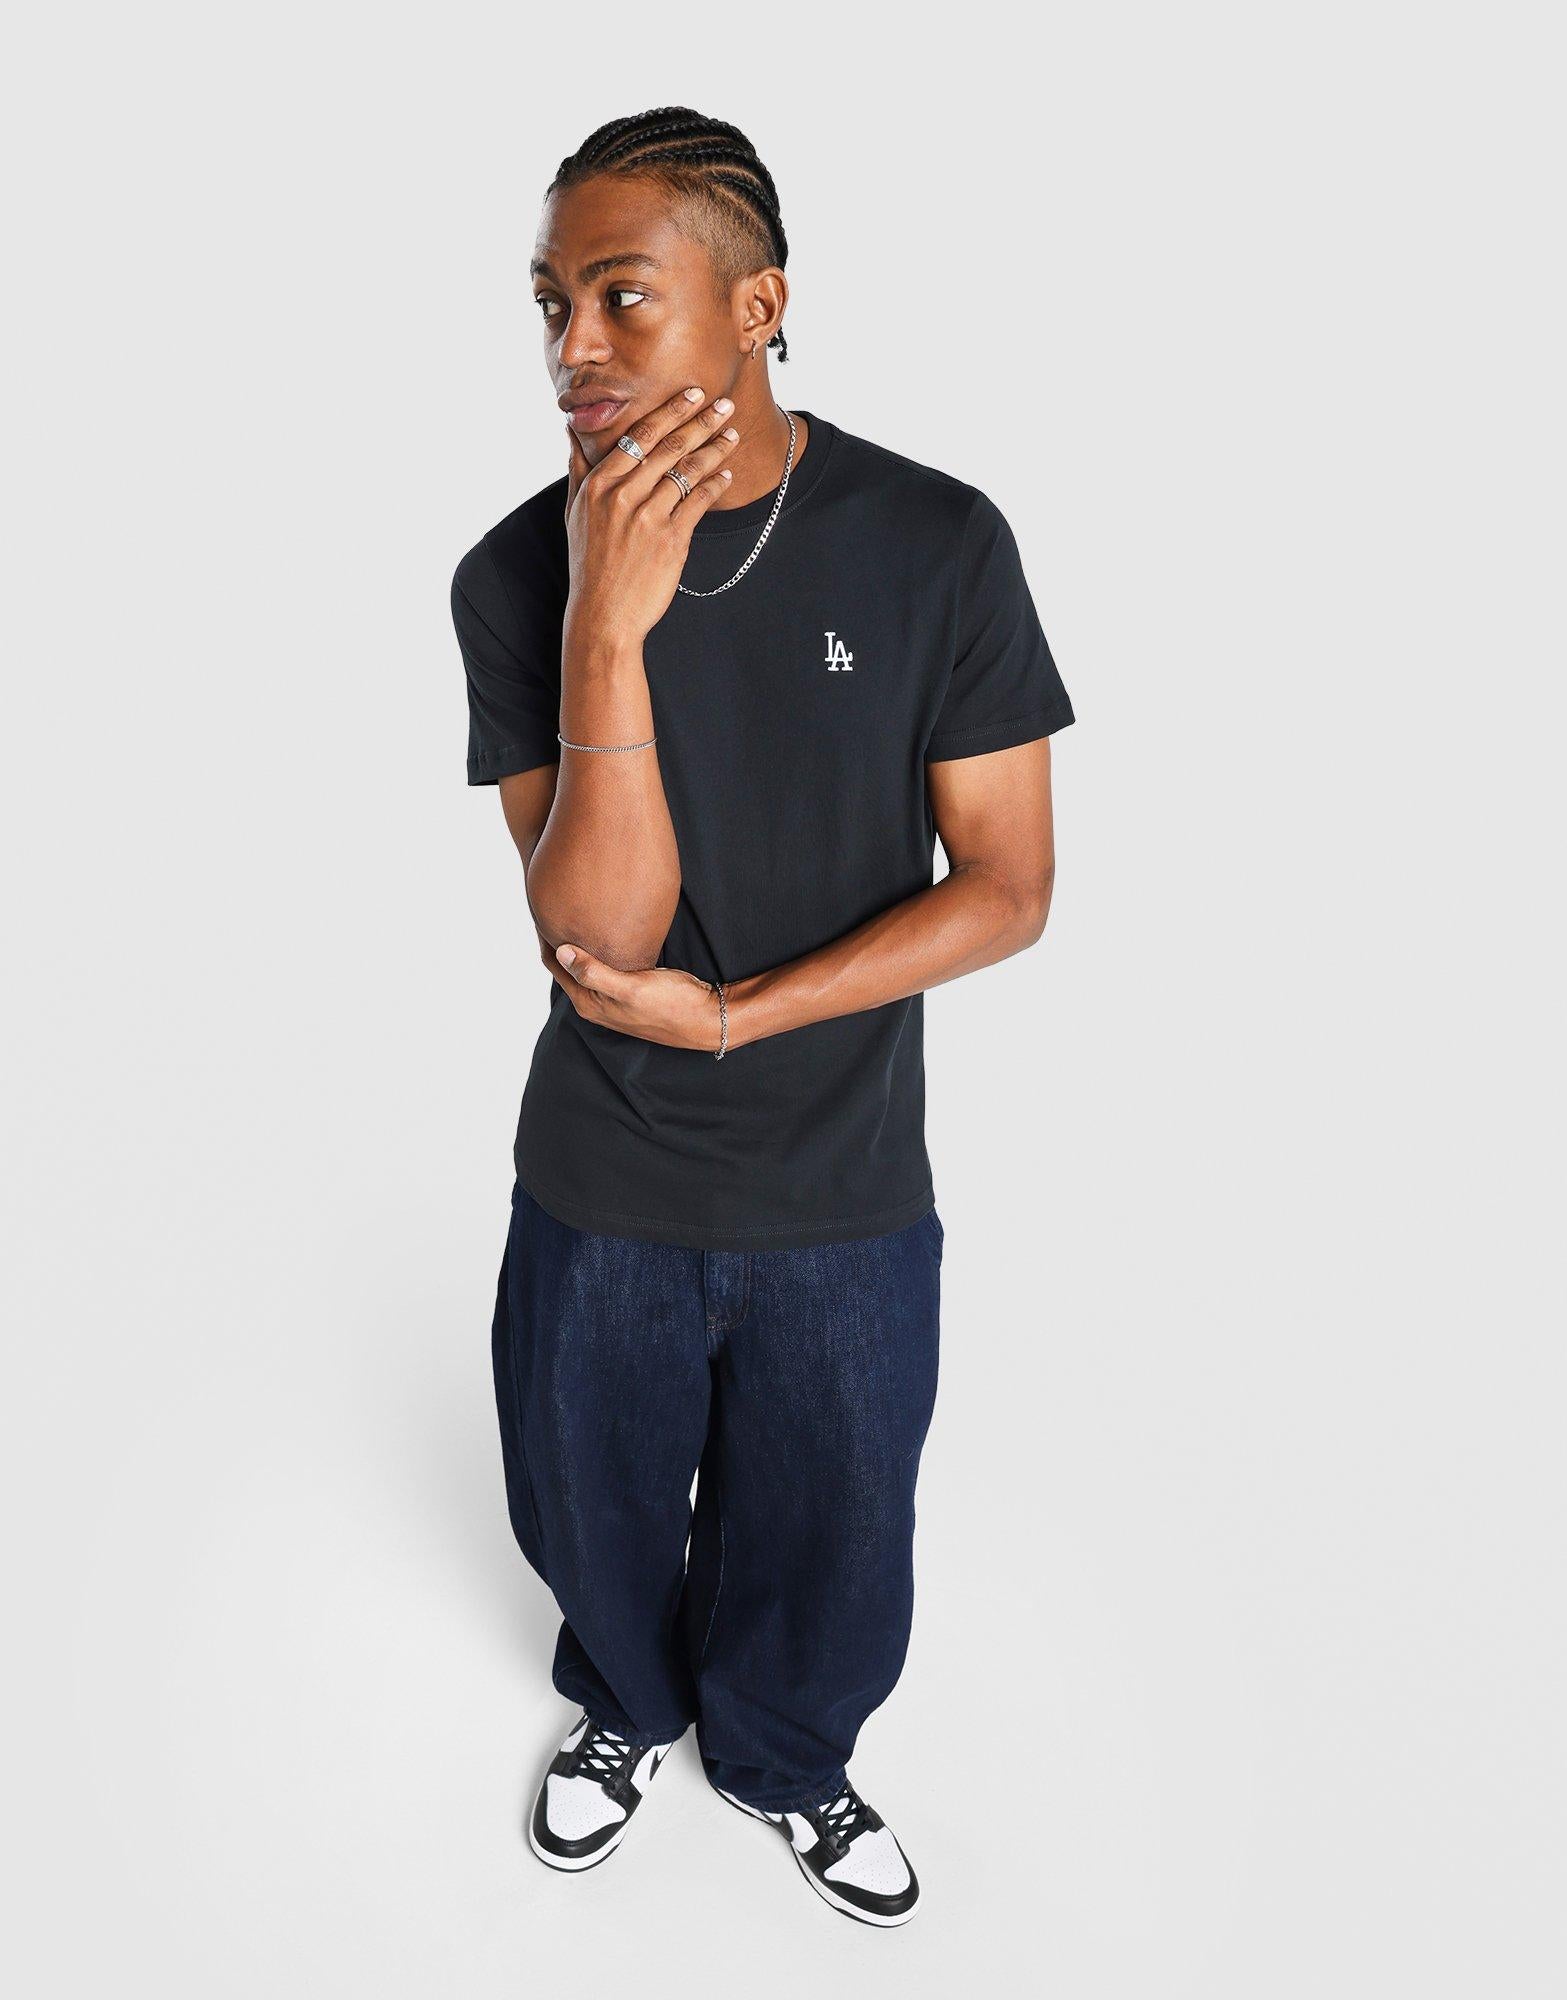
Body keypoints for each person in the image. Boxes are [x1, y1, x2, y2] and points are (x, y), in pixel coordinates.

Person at [450, 106, 1074, 1928]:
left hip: (842, 1180)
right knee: (588, 1504)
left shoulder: (936, 543)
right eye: (550, 303)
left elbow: (1008, 886)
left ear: (758, 305)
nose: (573, 346)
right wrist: (605, 630)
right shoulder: (511, 577)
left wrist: (739, 1017)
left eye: (621, 296)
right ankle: (625, 1708)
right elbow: (597, 930)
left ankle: (790, 1759)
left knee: (836, 1535)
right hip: (604, 1176)